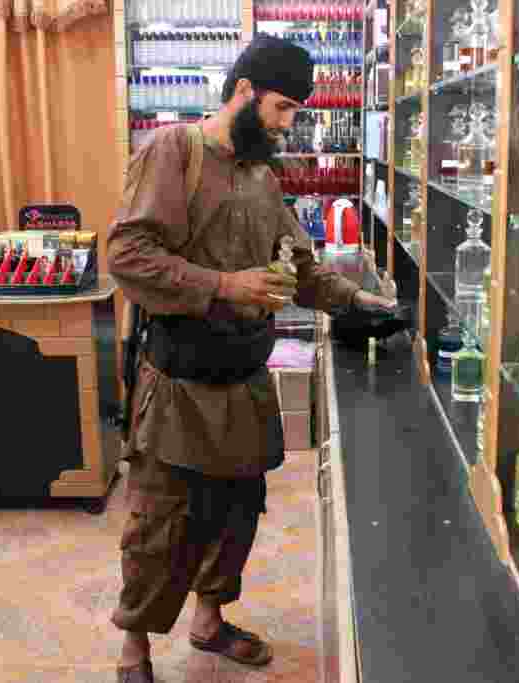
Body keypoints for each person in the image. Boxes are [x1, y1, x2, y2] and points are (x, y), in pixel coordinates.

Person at [106, 35, 395, 683]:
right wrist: (223, 285)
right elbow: (127, 254)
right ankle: (135, 649)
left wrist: (361, 304)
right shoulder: (172, 152)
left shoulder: (263, 176)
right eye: (282, 109)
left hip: (244, 379)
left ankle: (208, 622)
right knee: (159, 523)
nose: (287, 125)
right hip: (178, 381)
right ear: (243, 92)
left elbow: (301, 264)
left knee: (234, 513)